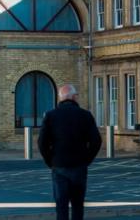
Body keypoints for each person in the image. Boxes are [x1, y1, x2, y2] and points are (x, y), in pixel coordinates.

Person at [38, 84, 102, 220]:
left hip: (59, 165)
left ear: (60, 98)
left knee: (61, 205)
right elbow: (96, 141)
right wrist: (87, 159)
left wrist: (50, 160)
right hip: (79, 165)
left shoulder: (51, 115)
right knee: (78, 205)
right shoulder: (85, 115)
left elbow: (42, 142)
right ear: (74, 97)